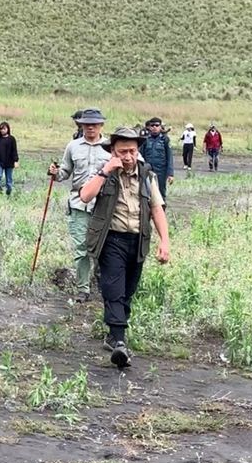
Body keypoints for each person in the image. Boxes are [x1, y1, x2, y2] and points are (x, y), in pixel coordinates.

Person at [80, 126, 170, 369]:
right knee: (113, 290)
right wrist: (105, 171)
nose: (127, 157)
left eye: (131, 151)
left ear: (138, 150)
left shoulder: (147, 175)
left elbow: (156, 209)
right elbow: (85, 196)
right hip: (111, 240)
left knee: (128, 291)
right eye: (122, 152)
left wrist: (165, 241)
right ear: (113, 152)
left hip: (138, 241)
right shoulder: (105, 173)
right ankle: (119, 342)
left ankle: (113, 332)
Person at [49, 109, 111, 302]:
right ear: (81, 125)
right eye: (87, 124)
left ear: (101, 125)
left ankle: (104, 285)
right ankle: (83, 289)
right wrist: (55, 173)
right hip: (78, 204)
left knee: (104, 247)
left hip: (104, 205)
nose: (90, 127)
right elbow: (65, 172)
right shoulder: (73, 146)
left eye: (94, 124)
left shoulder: (111, 146)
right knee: (81, 248)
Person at [141, 117, 174, 200]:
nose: (154, 127)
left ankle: (162, 211)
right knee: (146, 193)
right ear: (149, 127)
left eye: (157, 125)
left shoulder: (165, 140)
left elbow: (170, 157)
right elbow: (141, 156)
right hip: (147, 171)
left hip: (161, 172)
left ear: (160, 127)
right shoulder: (145, 140)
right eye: (152, 125)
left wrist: (170, 174)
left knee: (161, 193)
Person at [0, 121, 19, 196]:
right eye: (1, 129)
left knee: (9, 180)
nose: (2, 130)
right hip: (0, 161)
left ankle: (8, 193)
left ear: (8, 129)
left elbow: (14, 150)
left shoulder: (12, 139)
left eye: (4, 129)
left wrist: (16, 161)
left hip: (9, 162)